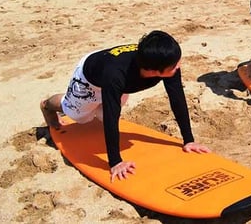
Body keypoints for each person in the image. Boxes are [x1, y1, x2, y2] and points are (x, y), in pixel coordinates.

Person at [39, 31, 211, 182]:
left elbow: (177, 98)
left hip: (115, 79)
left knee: (101, 114)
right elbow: (112, 116)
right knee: (80, 116)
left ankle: (91, 104)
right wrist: (115, 162)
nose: (178, 65)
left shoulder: (167, 62)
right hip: (90, 77)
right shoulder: (116, 75)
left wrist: (189, 140)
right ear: (154, 71)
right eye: (174, 65)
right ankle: (48, 105)